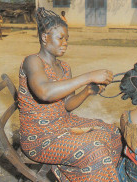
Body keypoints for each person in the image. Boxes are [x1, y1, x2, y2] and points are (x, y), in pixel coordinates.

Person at [18, 7, 122, 181]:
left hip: (62, 123)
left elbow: (67, 104)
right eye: (61, 38)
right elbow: (44, 92)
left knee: (112, 132)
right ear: (45, 37)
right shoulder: (33, 61)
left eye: (67, 39)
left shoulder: (65, 67)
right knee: (96, 150)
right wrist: (88, 76)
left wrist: (87, 90)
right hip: (39, 137)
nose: (65, 43)